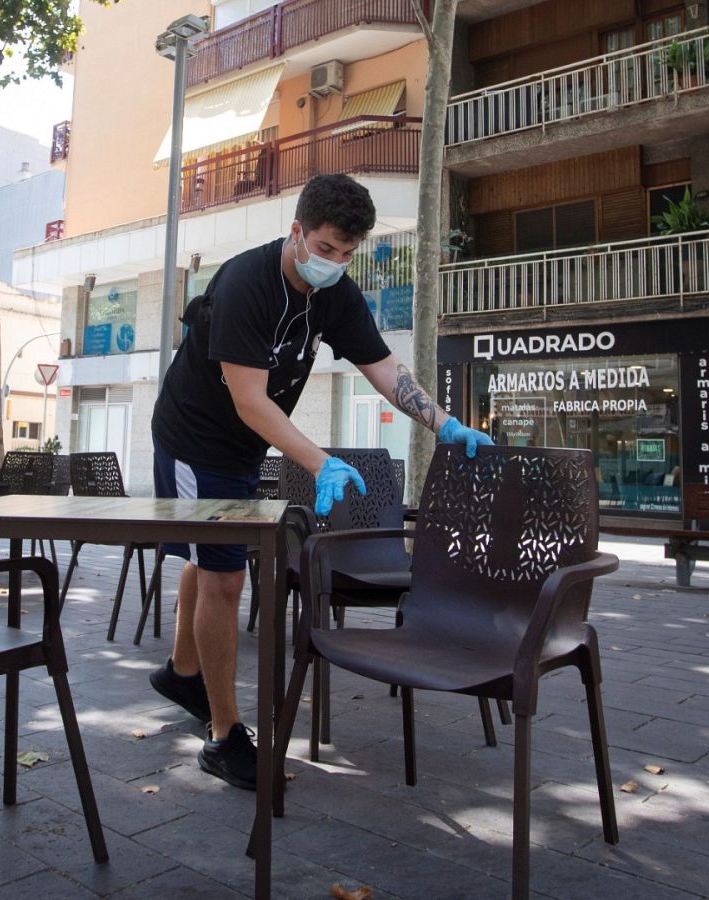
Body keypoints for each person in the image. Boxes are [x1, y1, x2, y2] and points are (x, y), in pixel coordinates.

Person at [149, 173, 493, 790]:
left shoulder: (334, 293)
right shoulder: (246, 282)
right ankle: (223, 738)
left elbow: (382, 367)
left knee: (210, 561)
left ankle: (182, 673)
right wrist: (318, 462)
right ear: (297, 231)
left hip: (244, 445)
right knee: (225, 577)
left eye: (347, 253)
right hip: (195, 440)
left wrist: (443, 423)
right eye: (326, 248)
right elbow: (250, 399)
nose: (334, 262)